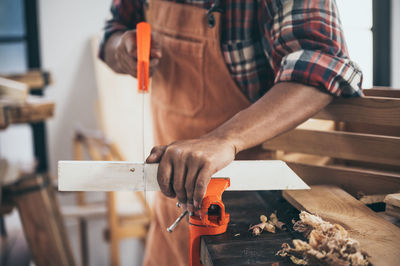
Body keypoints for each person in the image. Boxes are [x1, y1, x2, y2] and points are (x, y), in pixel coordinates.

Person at [100, 0, 363, 265]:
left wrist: (223, 139)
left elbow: (322, 63)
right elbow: (113, 31)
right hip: (175, 209)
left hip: (263, 211)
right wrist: (119, 47)